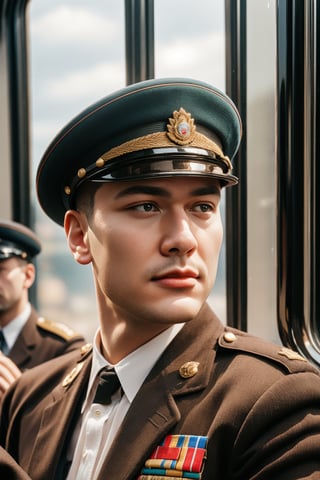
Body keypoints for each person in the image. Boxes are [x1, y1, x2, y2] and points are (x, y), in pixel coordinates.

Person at [0, 78, 320, 480]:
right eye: (146, 206)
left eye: (202, 206)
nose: (183, 240)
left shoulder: (276, 403)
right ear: (80, 237)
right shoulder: (31, 397)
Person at [0, 219, 86, 400]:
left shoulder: (62, 349)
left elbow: (64, 424)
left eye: (1, 270)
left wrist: (20, 401)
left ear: (28, 275)